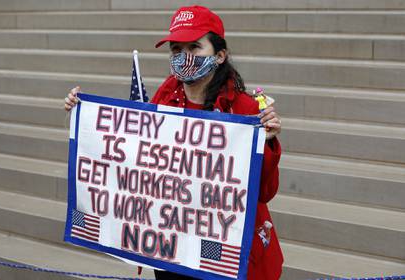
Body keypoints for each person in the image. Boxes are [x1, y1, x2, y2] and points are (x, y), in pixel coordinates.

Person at [65, 5, 283, 280]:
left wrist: (267, 144)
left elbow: (264, 191)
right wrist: (83, 112)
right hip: (173, 248)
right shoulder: (163, 100)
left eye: (194, 47)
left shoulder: (245, 109)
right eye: (177, 50)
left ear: (219, 55)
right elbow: (134, 161)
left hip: (221, 250)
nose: (184, 57)